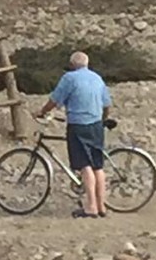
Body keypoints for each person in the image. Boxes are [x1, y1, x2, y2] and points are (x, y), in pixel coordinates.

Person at [34, 51, 112, 219]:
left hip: (79, 126)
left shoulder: (69, 78)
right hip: (96, 125)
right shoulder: (97, 78)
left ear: (71, 65)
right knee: (98, 165)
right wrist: (102, 119)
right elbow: (107, 104)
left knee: (85, 164)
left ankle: (91, 207)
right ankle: (102, 205)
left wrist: (42, 111)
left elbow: (54, 100)